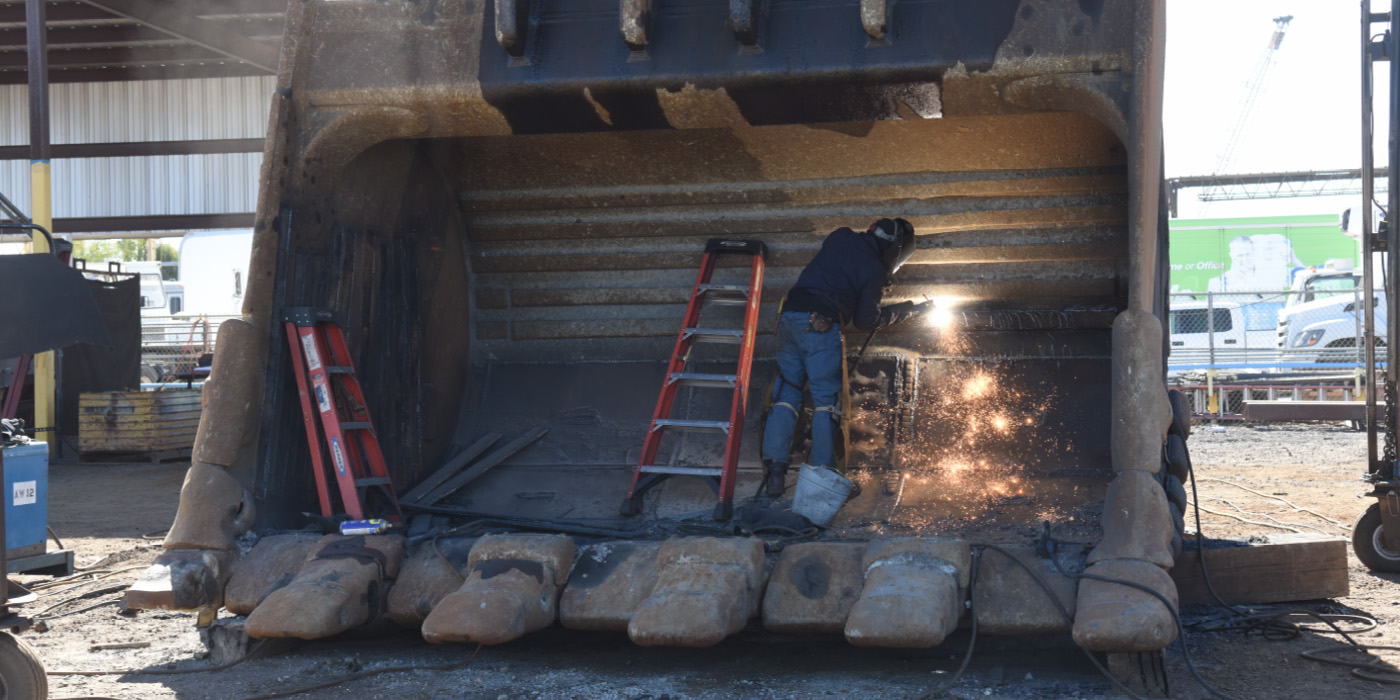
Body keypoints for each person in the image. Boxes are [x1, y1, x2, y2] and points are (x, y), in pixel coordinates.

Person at [761, 218, 929, 497]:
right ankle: (824, 478)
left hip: (788, 319)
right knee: (827, 404)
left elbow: (839, 270)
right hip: (820, 325)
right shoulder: (874, 270)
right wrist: (904, 309)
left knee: (786, 396)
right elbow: (866, 320)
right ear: (895, 249)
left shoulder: (840, 236)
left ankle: (775, 474)